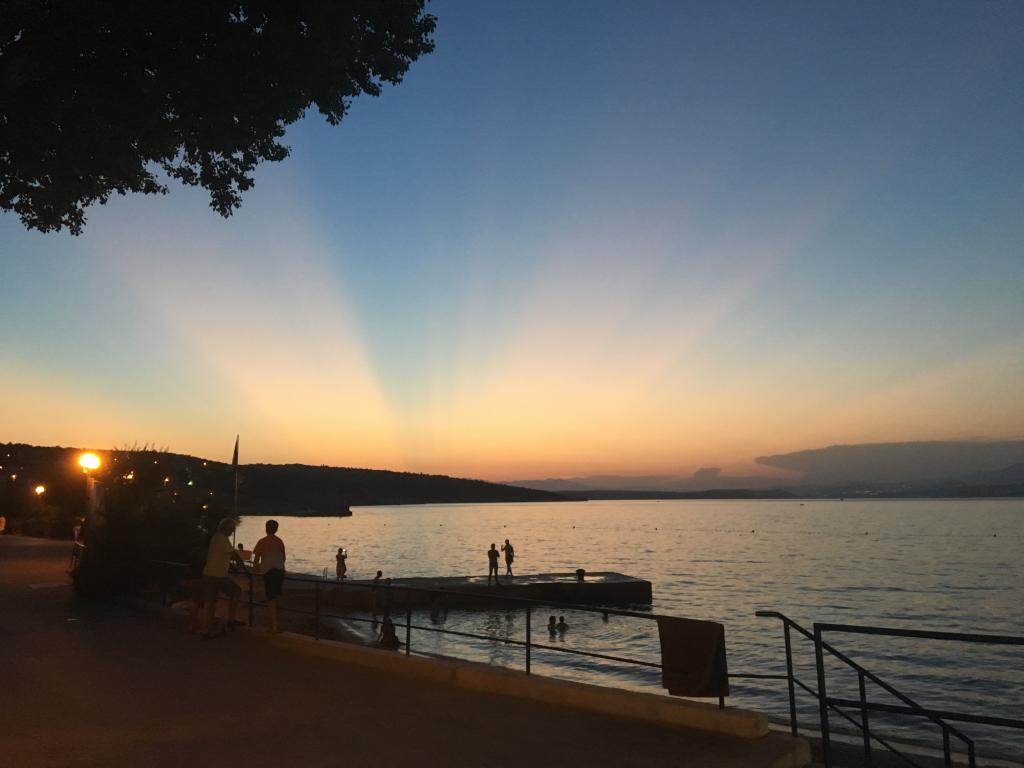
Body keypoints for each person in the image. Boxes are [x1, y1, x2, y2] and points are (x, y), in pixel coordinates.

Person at [201, 518, 247, 639]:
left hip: (208, 574)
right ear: (226, 528)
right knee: (236, 592)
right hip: (218, 575)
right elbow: (234, 554)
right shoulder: (223, 539)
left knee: (210, 602)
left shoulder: (215, 538)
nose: (232, 532)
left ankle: (206, 629)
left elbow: (220, 556)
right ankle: (230, 619)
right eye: (231, 529)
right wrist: (242, 566)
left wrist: (231, 565)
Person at [252, 519, 286, 634]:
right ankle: (276, 623)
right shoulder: (279, 541)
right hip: (280, 570)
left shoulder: (262, 541)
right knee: (276, 596)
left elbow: (256, 559)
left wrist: (255, 574)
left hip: (269, 571)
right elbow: (283, 558)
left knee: (270, 598)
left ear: (266, 528)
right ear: (276, 529)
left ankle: (274, 625)